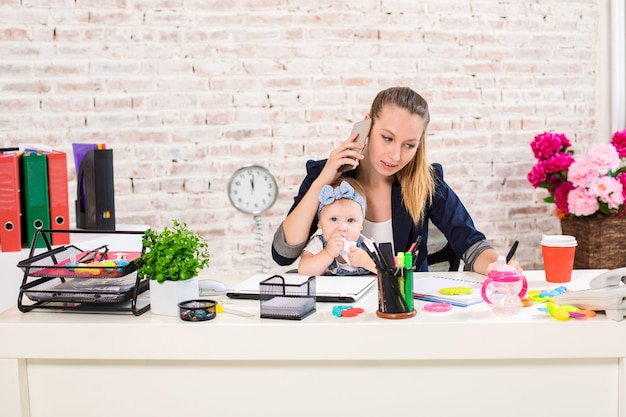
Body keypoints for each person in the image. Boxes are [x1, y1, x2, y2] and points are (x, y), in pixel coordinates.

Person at [272, 86, 520, 275]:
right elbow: (285, 253)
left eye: (409, 145)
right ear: (368, 124)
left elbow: (471, 245)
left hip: (403, 309)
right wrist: (324, 179)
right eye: (387, 138)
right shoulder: (327, 176)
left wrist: (498, 267)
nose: (396, 156)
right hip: (338, 312)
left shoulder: (425, 183)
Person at [298, 177, 377, 276]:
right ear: (320, 223)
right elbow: (304, 271)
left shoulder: (366, 245)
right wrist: (327, 253)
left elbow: (389, 272)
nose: (342, 228)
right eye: (334, 219)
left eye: (350, 220)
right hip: (328, 291)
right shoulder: (318, 244)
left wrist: (367, 262)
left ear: (361, 225)